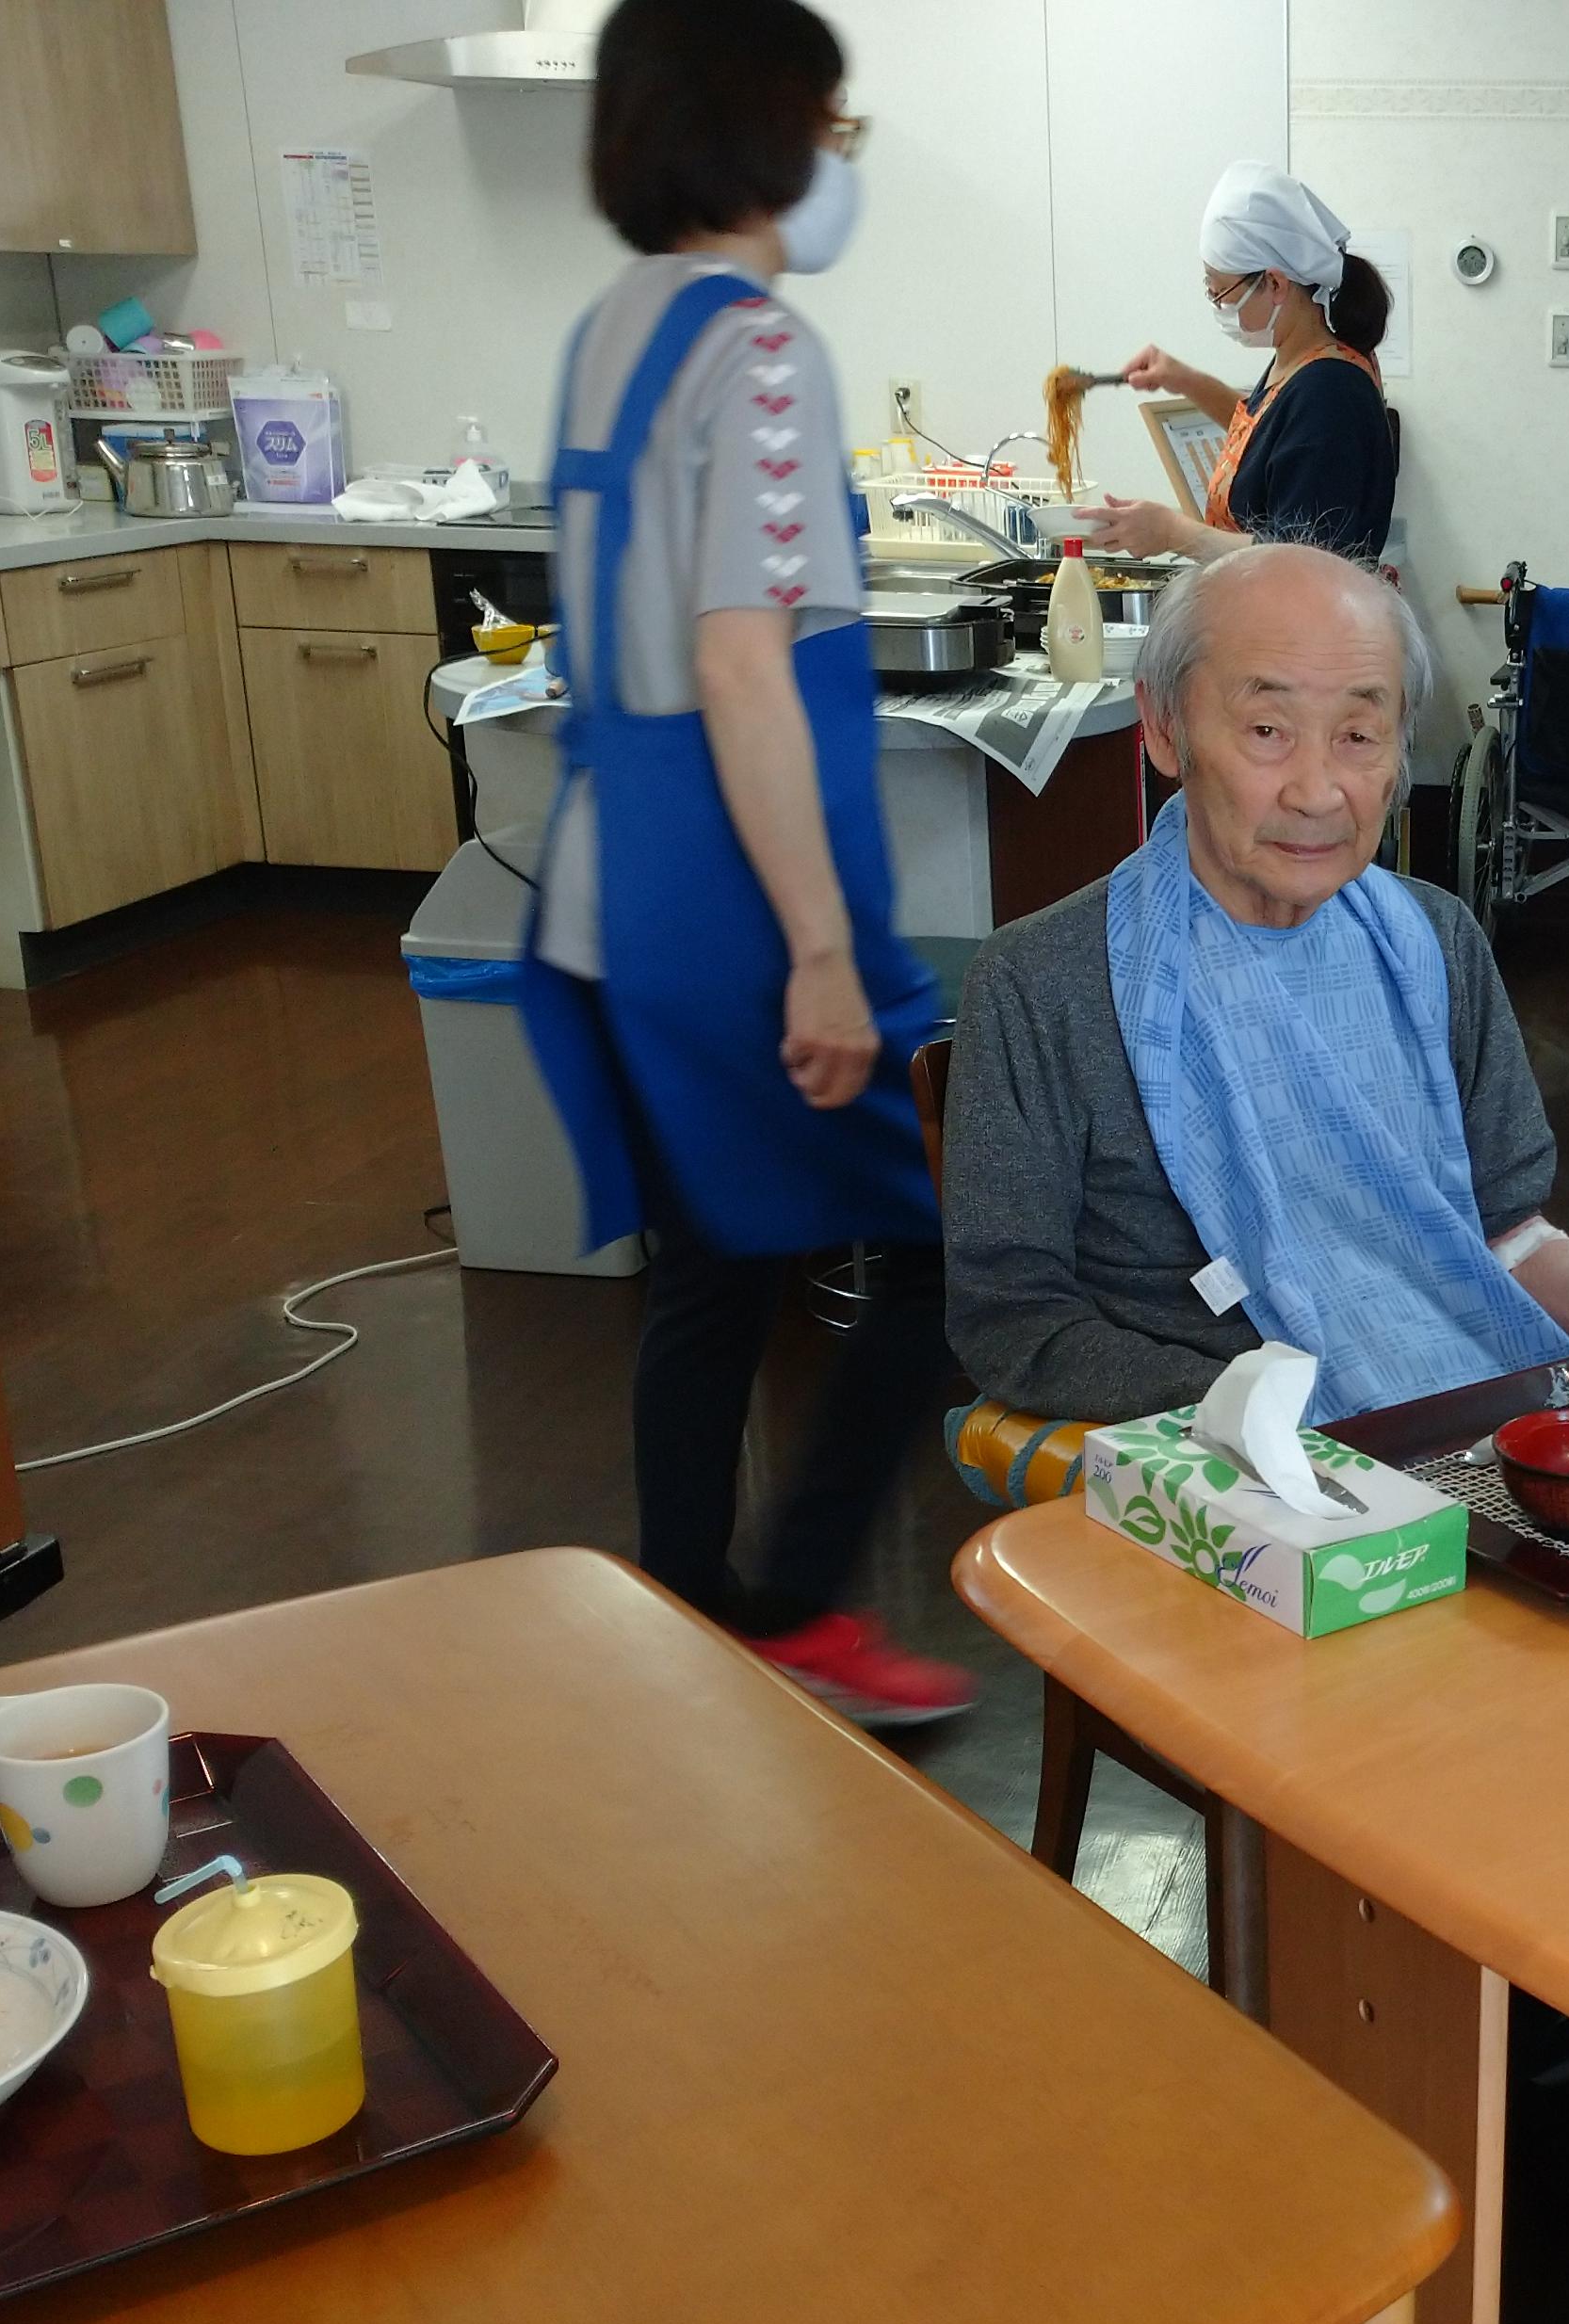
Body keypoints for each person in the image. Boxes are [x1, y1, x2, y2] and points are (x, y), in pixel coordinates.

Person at [941, 540, 1569, 1423]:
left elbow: (1501, 1234)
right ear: (1163, 727)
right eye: (1267, 730)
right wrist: (1270, 1410)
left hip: (1467, 1419)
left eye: (1359, 734)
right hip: (1228, 1488)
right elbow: (1015, 1322)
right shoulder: (1043, 984)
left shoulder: (1431, 938)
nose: (1317, 791)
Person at [516, 0, 971, 1730]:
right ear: (767, 127)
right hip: (728, 906)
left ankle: (688, 1628)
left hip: (605, 890)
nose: (840, 160)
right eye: (833, 124)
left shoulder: (611, 329)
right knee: (933, 1243)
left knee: (710, 1275)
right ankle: (785, 1617)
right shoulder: (763, 351)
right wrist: (823, 954)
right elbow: (738, 662)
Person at [1088, 164, 1396, 566]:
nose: (1217, 304)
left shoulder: (1329, 392)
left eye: (1220, 291)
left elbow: (1301, 561)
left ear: (1275, 283)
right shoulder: (1299, 363)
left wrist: (1172, 532)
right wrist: (1183, 378)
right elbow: (1264, 432)